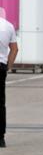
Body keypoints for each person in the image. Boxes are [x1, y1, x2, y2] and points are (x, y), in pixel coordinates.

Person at [0, 11, 18, 148]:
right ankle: (1, 138)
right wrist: (8, 66)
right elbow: (14, 49)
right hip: (0, 67)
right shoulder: (8, 26)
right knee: (0, 103)